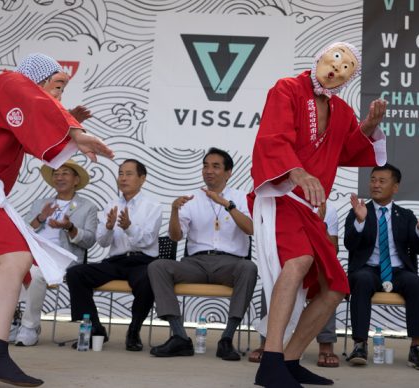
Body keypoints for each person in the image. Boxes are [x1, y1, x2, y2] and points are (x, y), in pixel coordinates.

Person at [0, 53, 113, 386]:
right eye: (57, 86)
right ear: (36, 79)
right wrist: (71, 129)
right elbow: (32, 102)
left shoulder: (7, 100)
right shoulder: (8, 81)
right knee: (15, 259)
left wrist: (65, 123)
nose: (58, 96)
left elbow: (31, 124)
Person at [250, 42, 387, 387]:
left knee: (336, 287)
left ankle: (291, 360)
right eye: (335, 59)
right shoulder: (287, 89)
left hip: (309, 209)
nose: (338, 68)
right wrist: (298, 173)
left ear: (348, 79)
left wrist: (369, 124)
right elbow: (273, 138)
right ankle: (270, 360)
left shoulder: (340, 111)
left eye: (347, 68)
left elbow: (351, 148)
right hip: (280, 195)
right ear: (320, 58)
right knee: (298, 261)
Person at [148, 147, 256, 361]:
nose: (209, 171)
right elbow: (176, 237)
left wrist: (227, 205)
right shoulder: (191, 198)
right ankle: (179, 336)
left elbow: (250, 229)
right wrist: (174, 211)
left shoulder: (242, 198)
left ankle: (226, 339)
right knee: (157, 266)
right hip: (195, 264)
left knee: (249, 268)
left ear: (228, 172)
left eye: (216, 166)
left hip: (230, 264)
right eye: (205, 166)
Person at [344, 164, 419, 371]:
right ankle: (360, 345)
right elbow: (349, 244)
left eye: (382, 181)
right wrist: (359, 222)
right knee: (362, 279)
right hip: (368, 269)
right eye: (373, 180)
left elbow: (418, 248)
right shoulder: (359, 210)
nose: (375, 185)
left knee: (415, 283)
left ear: (395, 187)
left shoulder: (406, 215)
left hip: (398, 272)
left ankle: (417, 349)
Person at [66, 159, 162, 352]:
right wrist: (109, 228)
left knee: (148, 279)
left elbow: (148, 240)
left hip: (142, 260)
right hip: (116, 261)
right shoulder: (111, 204)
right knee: (76, 273)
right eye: (120, 174)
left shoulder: (153, 205)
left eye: (129, 174)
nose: (123, 178)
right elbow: (102, 242)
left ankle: (134, 331)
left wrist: (128, 227)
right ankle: (95, 328)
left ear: (142, 178)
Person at [14, 160, 98, 346]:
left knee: (35, 274)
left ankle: (29, 327)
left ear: (76, 180)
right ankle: (10, 321)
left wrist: (69, 227)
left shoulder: (87, 207)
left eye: (65, 173)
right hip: (36, 253)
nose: (59, 177)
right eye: (56, 173)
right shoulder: (41, 203)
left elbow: (90, 240)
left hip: (64, 257)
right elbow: (24, 230)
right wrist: (40, 218)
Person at [248, 201, 342, 367]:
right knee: (274, 284)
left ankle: (325, 345)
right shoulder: (282, 203)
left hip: (316, 269)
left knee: (332, 286)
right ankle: (267, 345)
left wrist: (320, 226)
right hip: (290, 265)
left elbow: (332, 251)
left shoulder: (329, 209)